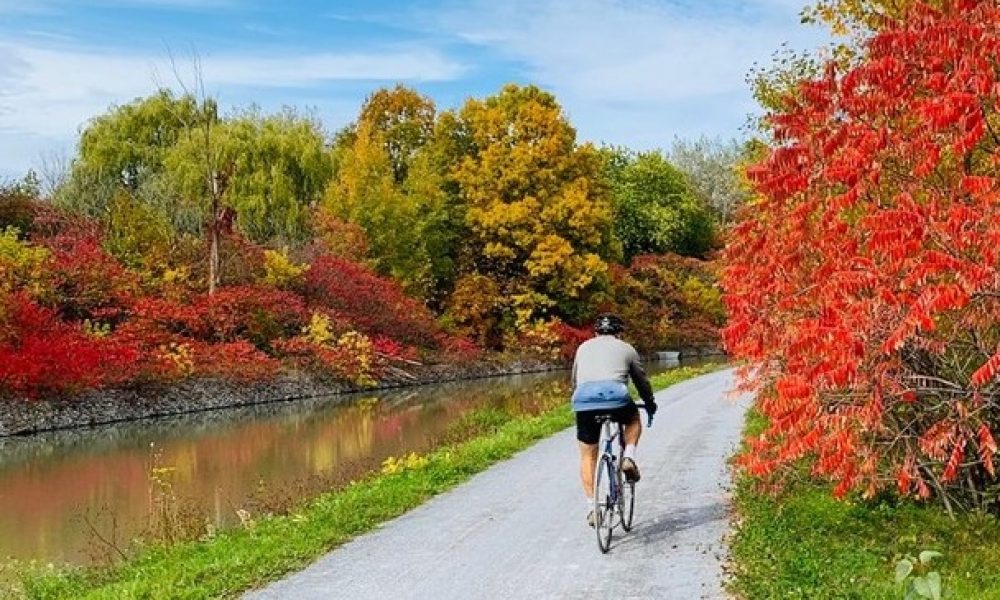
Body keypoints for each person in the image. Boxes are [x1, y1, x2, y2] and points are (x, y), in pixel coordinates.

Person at [571, 313, 657, 526]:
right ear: (619, 332)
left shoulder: (583, 348)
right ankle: (628, 457)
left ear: (596, 332)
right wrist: (649, 403)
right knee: (633, 420)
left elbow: (575, 381)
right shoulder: (627, 348)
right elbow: (641, 381)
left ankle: (592, 508)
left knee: (588, 455)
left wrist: (580, 404)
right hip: (616, 398)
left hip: (584, 400)